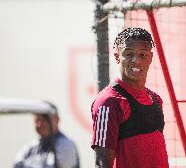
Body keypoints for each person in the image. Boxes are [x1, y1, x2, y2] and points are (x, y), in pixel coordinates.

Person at [90, 27, 169, 168]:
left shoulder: (156, 99)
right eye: (128, 54)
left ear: (150, 58)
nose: (136, 61)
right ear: (117, 57)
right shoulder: (108, 102)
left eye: (142, 55)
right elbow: (102, 163)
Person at [13, 101, 80, 168]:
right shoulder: (31, 148)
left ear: (57, 120)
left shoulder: (65, 145)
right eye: (37, 120)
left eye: (44, 120)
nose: (40, 124)